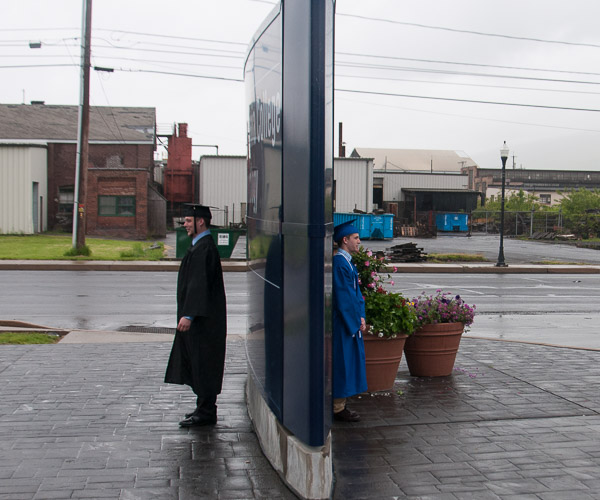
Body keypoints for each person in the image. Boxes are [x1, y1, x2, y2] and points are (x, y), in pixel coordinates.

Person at [164, 204, 227, 427]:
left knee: (205, 363)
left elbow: (198, 286)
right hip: (202, 319)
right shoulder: (200, 246)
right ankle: (203, 407)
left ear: (201, 221)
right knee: (200, 362)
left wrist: (188, 315)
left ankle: (207, 411)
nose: (185, 224)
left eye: (189, 221)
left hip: (204, 320)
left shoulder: (204, 249)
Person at [332, 220, 368, 422]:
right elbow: (343, 297)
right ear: (344, 240)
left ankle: (341, 404)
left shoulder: (347, 262)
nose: (359, 242)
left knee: (348, 363)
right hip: (344, 324)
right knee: (343, 363)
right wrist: (355, 321)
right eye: (355, 238)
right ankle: (338, 407)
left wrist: (361, 315)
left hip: (350, 322)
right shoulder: (339, 264)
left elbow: (357, 294)